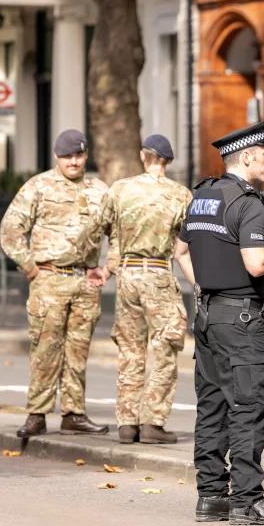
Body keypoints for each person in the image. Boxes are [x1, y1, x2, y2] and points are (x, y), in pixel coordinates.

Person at [174, 121, 264, 526]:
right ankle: (247, 500)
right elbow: (256, 263)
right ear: (246, 157)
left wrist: (202, 284)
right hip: (240, 318)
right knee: (248, 407)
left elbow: (180, 251)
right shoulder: (248, 203)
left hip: (208, 314)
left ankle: (211, 495)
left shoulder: (202, 196)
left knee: (211, 407)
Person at [0, 129, 110, 439]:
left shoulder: (100, 191)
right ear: (57, 157)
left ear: (86, 156)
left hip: (84, 281)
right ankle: (37, 414)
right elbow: (10, 229)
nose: (73, 161)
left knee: (78, 350)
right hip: (49, 279)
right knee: (45, 349)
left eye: (78, 155)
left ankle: (74, 414)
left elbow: (119, 233)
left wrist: (107, 268)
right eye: (67, 156)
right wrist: (29, 264)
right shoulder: (39, 186)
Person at [99, 134, 192, 444]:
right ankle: (152, 421)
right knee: (164, 347)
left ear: (144, 156)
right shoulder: (180, 194)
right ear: (168, 161)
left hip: (126, 275)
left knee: (130, 349)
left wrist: (107, 267)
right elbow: (186, 240)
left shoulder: (120, 189)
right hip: (157, 273)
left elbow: (106, 228)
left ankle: (127, 422)